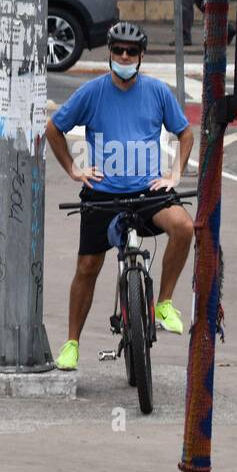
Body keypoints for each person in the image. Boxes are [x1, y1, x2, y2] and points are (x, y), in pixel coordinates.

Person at [45, 21, 196, 371]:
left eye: (131, 52)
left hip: (147, 192)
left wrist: (174, 173)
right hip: (102, 194)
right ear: (110, 53)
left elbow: (185, 134)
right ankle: (71, 344)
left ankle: (164, 303)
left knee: (184, 227)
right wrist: (73, 169)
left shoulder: (157, 92)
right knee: (87, 266)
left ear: (141, 56)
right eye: (118, 51)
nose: (124, 57)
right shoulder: (92, 92)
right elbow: (54, 129)